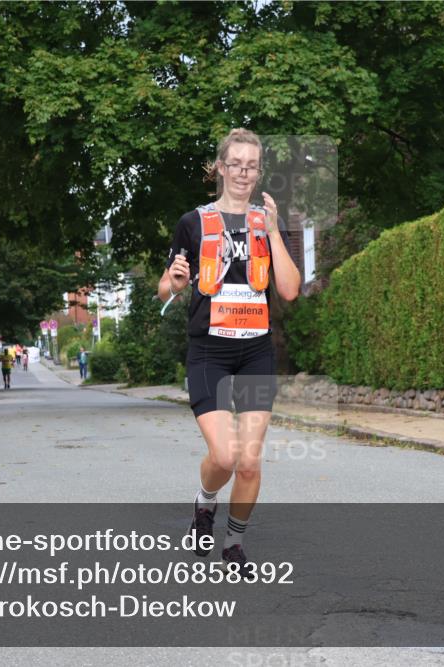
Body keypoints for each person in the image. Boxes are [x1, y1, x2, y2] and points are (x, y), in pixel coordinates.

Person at [158, 128, 300, 570]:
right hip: (209, 354)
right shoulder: (193, 223)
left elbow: (290, 291)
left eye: (251, 165)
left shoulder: (267, 221)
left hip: (255, 352)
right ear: (219, 167)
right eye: (234, 163)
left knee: (250, 462)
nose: (242, 172)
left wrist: (274, 230)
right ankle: (205, 503)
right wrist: (176, 284)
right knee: (224, 456)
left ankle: (233, 543)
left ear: (259, 172)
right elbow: (167, 286)